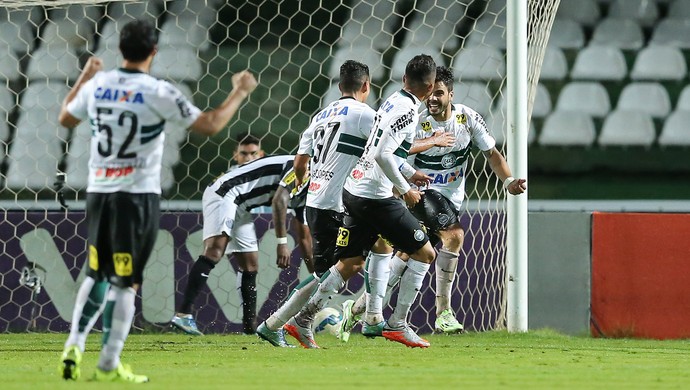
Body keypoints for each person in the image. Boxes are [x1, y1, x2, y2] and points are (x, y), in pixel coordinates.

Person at [57, 19, 257, 382]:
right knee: (125, 280)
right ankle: (108, 360)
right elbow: (210, 124)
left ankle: (74, 343)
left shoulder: (98, 85)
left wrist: (85, 75)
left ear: (119, 49)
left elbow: (65, 117)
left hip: (99, 193)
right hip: (136, 198)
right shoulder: (157, 90)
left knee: (97, 269)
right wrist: (240, 92)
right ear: (154, 51)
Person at [339, 66, 527, 340]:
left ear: (451, 94)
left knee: (405, 257)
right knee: (453, 236)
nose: (435, 99)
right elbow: (394, 157)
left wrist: (508, 181)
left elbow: (492, 153)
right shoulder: (416, 121)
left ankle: (355, 309)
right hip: (420, 193)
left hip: (450, 199)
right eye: (432, 93)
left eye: (441, 93)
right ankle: (444, 312)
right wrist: (400, 188)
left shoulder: (468, 119)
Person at [283, 54, 437, 349]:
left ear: (405, 79)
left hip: (351, 192)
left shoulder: (392, 101)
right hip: (373, 195)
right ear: (430, 88)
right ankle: (396, 324)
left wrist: (409, 171)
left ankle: (306, 320)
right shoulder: (405, 111)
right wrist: (404, 188)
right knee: (425, 253)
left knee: (353, 261)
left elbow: (383, 150)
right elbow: (382, 154)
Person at [255, 60, 376, 347]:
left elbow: (300, 165)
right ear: (366, 86)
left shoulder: (321, 115)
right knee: (348, 265)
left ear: (339, 86)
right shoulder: (365, 114)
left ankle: (288, 325)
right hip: (339, 204)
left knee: (336, 269)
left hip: (316, 200)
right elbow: (389, 147)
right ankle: (281, 323)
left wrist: (311, 181)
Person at [170, 154, 312, 336]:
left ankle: (249, 329)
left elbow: (304, 236)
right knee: (214, 251)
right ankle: (183, 314)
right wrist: (282, 243)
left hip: (242, 204)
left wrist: (318, 276)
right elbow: (279, 201)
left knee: (250, 263)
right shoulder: (303, 166)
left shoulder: (309, 191)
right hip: (225, 192)